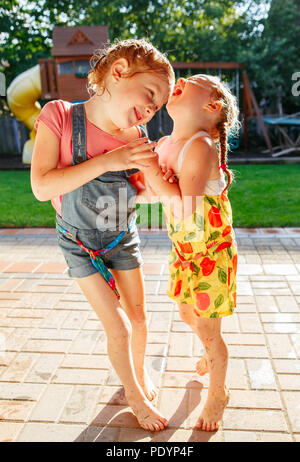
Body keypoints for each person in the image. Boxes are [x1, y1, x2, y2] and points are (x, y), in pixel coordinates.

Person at [30, 38, 175, 432]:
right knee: (120, 326)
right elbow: (42, 187)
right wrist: (112, 160)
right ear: (119, 71)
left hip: (121, 237)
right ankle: (134, 396)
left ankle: (138, 376)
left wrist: (166, 177)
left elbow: (159, 195)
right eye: (150, 94)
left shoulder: (137, 139)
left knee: (140, 318)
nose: (151, 109)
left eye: (158, 106)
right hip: (77, 243)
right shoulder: (59, 116)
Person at [137, 74, 239, 432]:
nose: (180, 79)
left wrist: (152, 170)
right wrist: (145, 182)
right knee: (185, 314)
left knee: (210, 332)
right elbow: (155, 194)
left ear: (212, 107)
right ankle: (212, 356)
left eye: (193, 81)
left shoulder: (200, 147)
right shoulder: (166, 143)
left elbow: (183, 208)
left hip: (211, 254)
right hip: (184, 251)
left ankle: (218, 390)